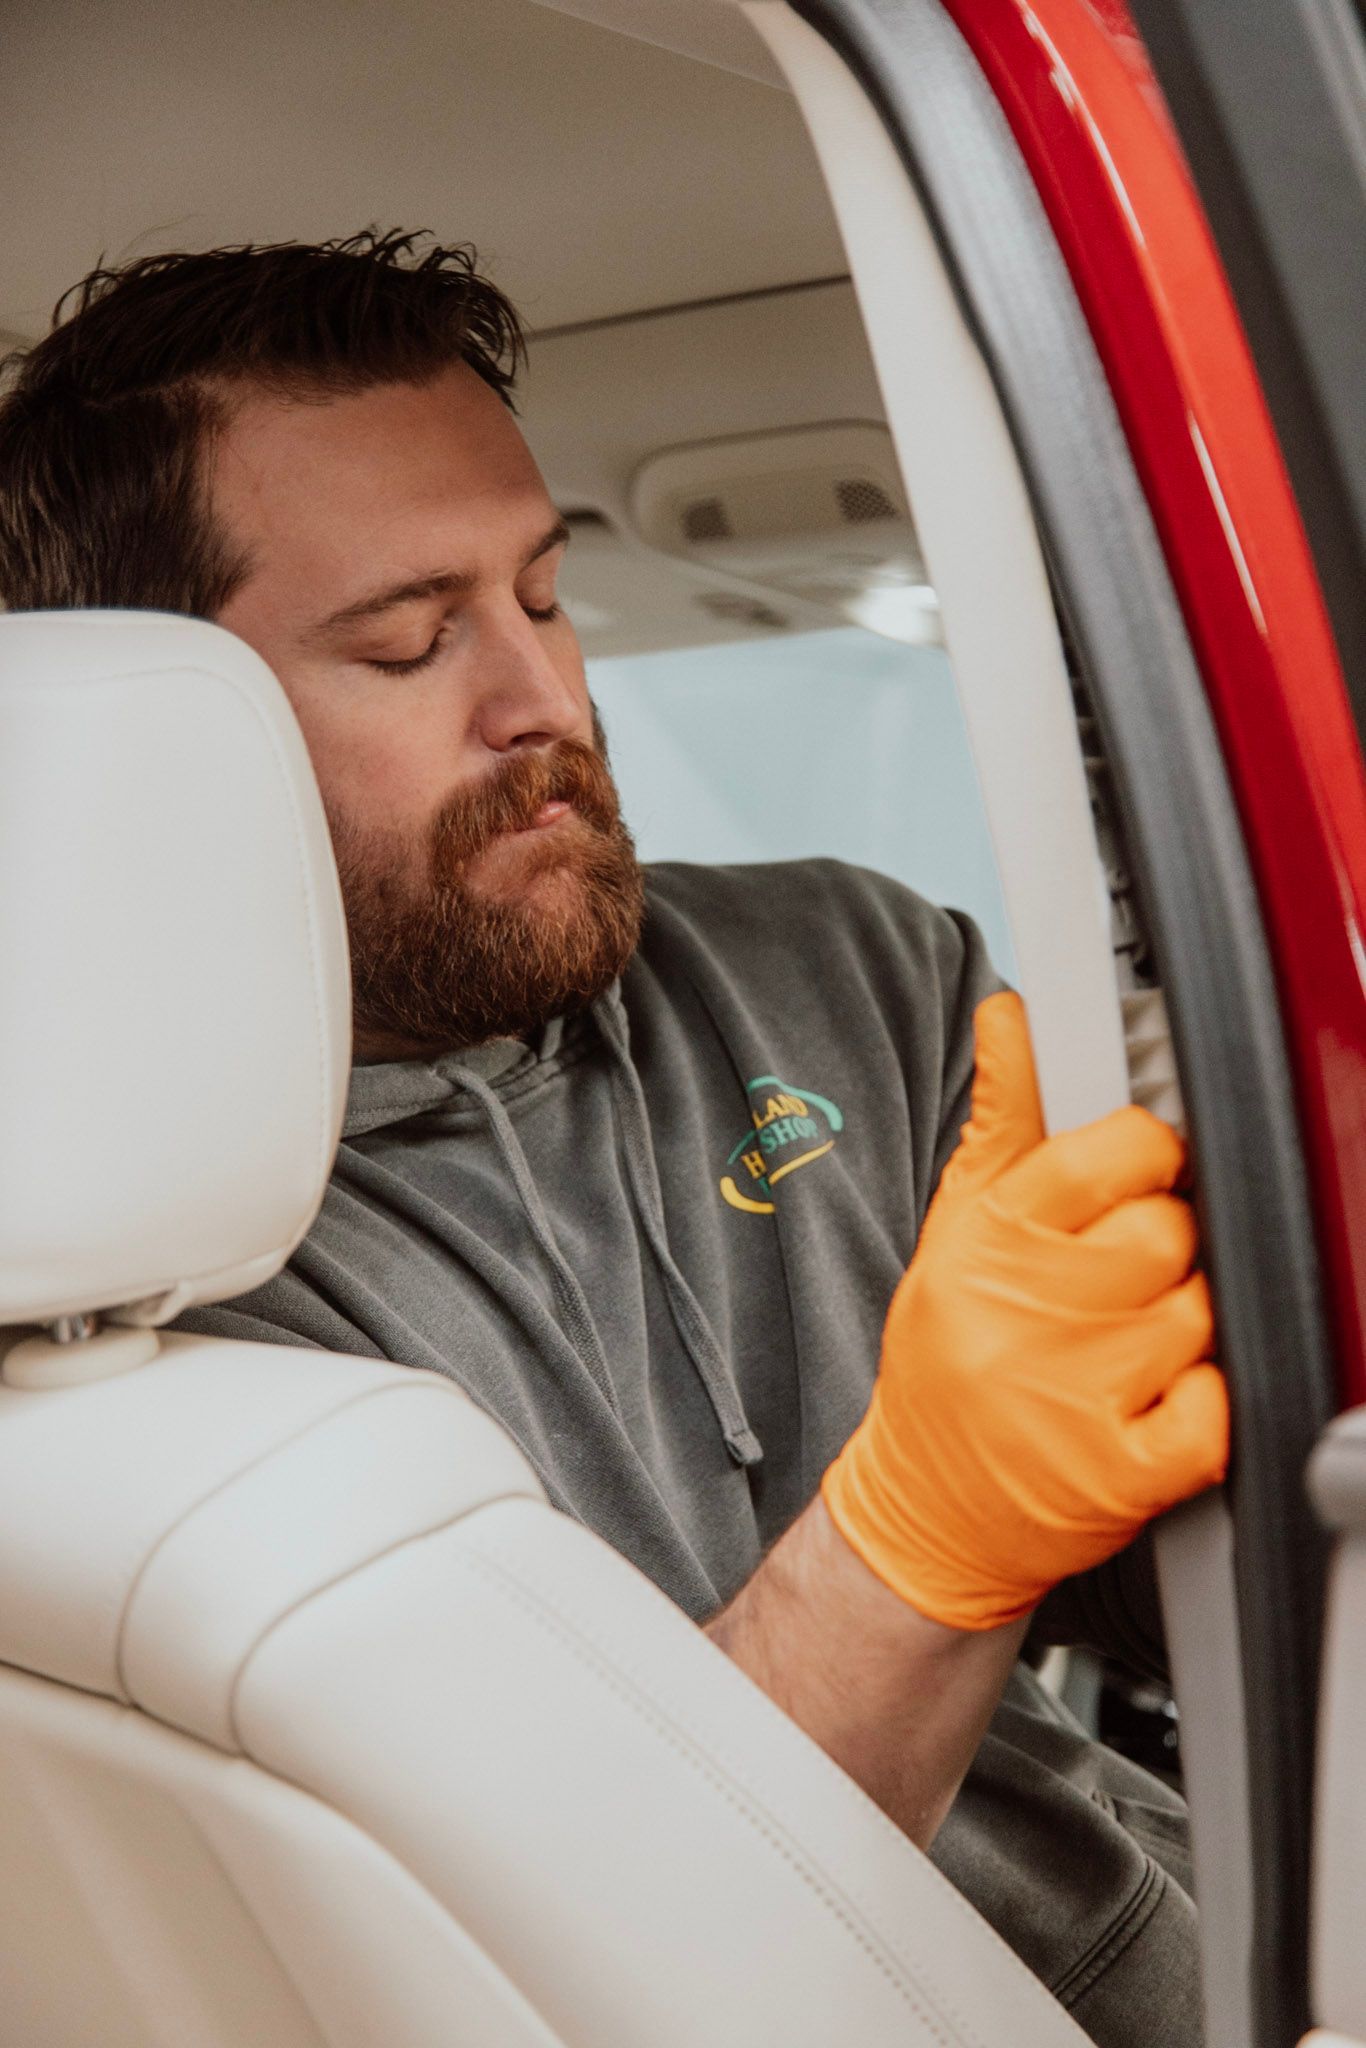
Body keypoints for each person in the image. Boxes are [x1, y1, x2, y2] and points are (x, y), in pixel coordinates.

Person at [0, 231, 1227, 2046]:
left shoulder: (848, 964)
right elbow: (590, 1972)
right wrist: (917, 1540)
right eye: (411, 639)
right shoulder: (141, 1294)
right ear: (173, 739)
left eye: (549, 592)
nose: (548, 702)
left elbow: (1196, 1544)